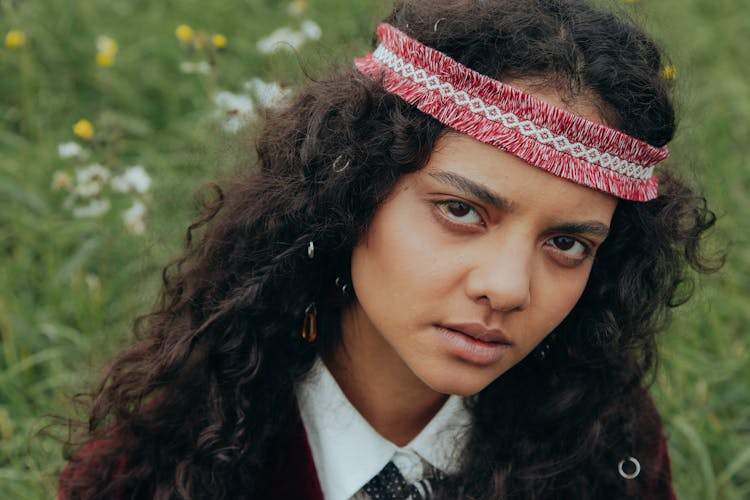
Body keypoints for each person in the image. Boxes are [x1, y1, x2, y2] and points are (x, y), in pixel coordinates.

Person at [59, 0, 720, 498]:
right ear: (351, 192)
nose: (509, 287)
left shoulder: (604, 445)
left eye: (569, 243)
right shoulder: (159, 462)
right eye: (461, 211)